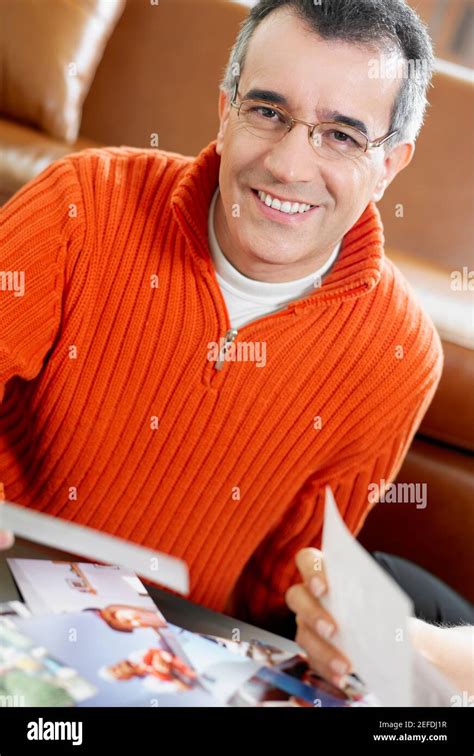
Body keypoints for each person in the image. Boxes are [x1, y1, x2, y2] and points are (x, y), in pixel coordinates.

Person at [0, 0, 466, 671]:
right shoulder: (82, 200)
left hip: (172, 659)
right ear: (226, 108)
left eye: (340, 135)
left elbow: (282, 592)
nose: (288, 166)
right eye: (268, 112)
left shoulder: (398, 354)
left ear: (391, 163)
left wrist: (332, 633)